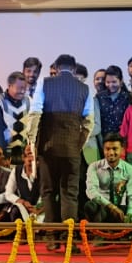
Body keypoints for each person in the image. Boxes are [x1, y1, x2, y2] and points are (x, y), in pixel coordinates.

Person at [30, 54, 93, 245]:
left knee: (48, 191)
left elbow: (35, 114)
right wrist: (77, 145)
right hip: (72, 150)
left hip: (48, 148)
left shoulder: (45, 83)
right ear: (74, 69)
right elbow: (89, 123)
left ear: (56, 68)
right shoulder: (84, 88)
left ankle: (51, 237)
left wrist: (32, 143)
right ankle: (69, 237)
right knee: (69, 193)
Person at [83, 133, 132, 223]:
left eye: (115, 149)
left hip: (122, 208)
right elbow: (91, 191)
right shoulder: (94, 167)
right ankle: (97, 230)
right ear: (103, 149)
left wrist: (130, 214)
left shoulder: (130, 170)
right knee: (90, 206)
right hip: (103, 207)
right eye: (107, 149)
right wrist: (111, 207)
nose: (111, 153)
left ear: (122, 149)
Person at [0, 71, 30, 157]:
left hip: (25, 153)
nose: (22, 91)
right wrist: (2, 155)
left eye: (24, 88)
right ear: (9, 86)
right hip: (6, 152)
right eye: (19, 88)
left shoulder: (28, 101)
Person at [92, 65, 131, 148]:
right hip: (103, 141)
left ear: (121, 81)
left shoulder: (128, 97)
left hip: (123, 142)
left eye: (114, 82)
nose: (110, 85)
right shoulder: (99, 97)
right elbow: (97, 121)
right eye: (108, 82)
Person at [4, 142, 44, 221]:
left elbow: (51, 196)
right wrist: (23, 202)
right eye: (28, 155)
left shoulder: (43, 172)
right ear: (23, 157)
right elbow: (8, 193)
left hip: (41, 209)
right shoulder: (16, 171)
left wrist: (39, 210)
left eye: (33, 156)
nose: (30, 159)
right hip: (24, 207)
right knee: (15, 211)